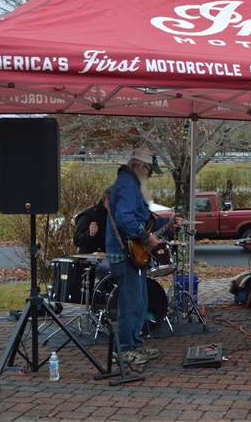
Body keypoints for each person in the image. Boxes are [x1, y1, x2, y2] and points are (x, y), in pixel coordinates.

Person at [105, 148, 180, 365]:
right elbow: (124, 219)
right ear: (139, 167)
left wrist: (168, 223)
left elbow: (142, 220)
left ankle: (135, 344)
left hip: (131, 254)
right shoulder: (128, 186)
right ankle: (123, 350)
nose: (150, 176)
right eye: (149, 171)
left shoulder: (129, 184)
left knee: (139, 302)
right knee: (130, 304)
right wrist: (145, 237)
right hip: (125, 254)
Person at [73, 186, 112, 278]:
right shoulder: (89, 215)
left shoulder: (115, 216)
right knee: (110, 268)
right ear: (106, 197)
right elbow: (77, 240)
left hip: (110, 257)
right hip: (90, 261)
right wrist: (90, 234)